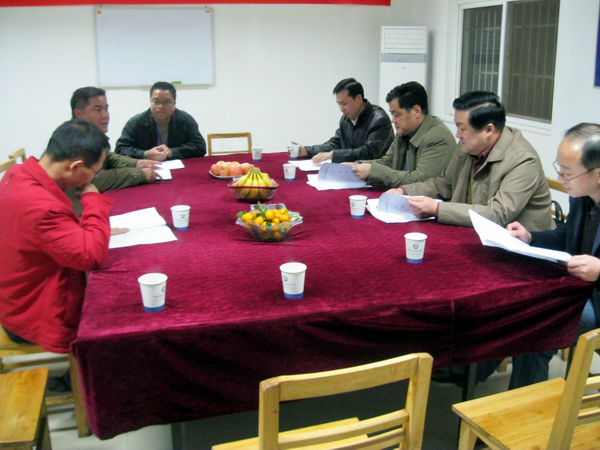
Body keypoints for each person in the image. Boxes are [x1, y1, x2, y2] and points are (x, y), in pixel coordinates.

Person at [0, 119, 113, 357]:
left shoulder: (16, 174)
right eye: (94, 173)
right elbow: (90, 256)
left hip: (13, 302)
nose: (92, 179)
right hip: (34, 316)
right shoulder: (42, 207)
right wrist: (93, 200)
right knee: (119, 314)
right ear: (76, 166)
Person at [505, 123, 600, 388]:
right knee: (518, 300)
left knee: (538, 328)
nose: (560, 178)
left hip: (595, 298)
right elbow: (567, 234)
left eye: (567, 173)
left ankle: (526, 403)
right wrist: (531, 238)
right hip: (578, 287)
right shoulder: (581, 195)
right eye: (559, 169)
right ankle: (475, 373)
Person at [387, 91, 554, 231]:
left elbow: (498, 214)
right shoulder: (467, 148)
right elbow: (443, 184)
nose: (457, 134)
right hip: (473, 235)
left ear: (488, 130)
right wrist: (404, 191)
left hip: (521, 248)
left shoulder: (522, 159)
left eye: (462, 128)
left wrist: (438, 209)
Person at [346, 82, 455, 188]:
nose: (393, 120)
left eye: (397, 115)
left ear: (416, 111)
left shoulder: (437, 138)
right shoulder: (404, 132)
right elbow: (388, 162)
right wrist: (357, 165)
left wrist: (373, 171)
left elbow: (420, 181)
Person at [71, 86, 161, 190]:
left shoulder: (91, 135)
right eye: (98, 110)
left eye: (106, 109)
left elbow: (108, 158)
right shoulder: (73, 140)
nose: (105, 115)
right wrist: (138, 174)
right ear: (79, 114)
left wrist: (136, 163)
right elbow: (92, 178)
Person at [291, 78, 394, 163]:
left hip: (375, 174)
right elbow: (336, 143)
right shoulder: (346, 119)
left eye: (344, 104)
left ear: (358, 98)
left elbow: (369, 152)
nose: (341, 109)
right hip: (352, 170)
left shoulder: (379, 119)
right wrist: (307, 151)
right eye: (339, 104)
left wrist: (334, 155)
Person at [115, 81, 207, 160]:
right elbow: (120, 149)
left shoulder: (185, 120)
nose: (160, 107)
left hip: (178, 166)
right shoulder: (136, 122)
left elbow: (200, 147)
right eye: (156, 102)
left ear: (174, 103)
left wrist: (172, 152)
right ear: (150, 102)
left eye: (166, 102)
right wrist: (146, 154)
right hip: (146, 167)